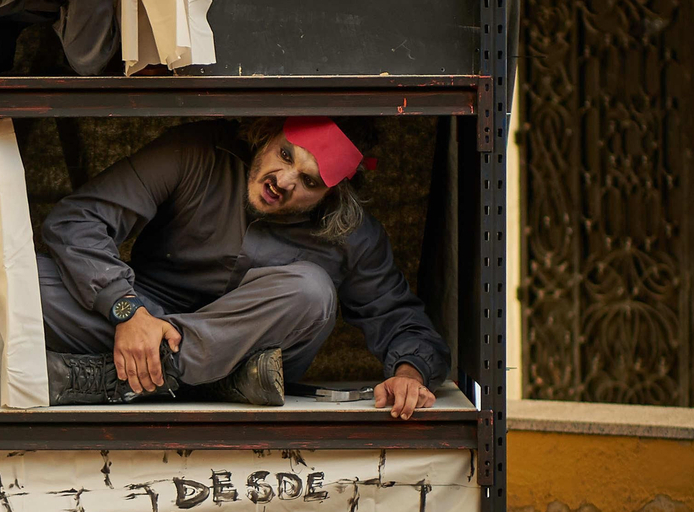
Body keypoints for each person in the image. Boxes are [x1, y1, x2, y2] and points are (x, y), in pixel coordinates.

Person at [40, 117, 449, 417]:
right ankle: (180, 381)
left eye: (309, 182)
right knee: (21, 279)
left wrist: (410, 375)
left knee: (311, 290)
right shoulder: (197, 151)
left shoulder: (353, 234)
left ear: (334, 194)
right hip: (143, 322)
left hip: (252, 360)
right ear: (267, 131)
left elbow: (400, 319)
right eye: (285, 155)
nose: (284, 180)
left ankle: (123, 377)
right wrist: (126, 309)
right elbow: (76, 222)